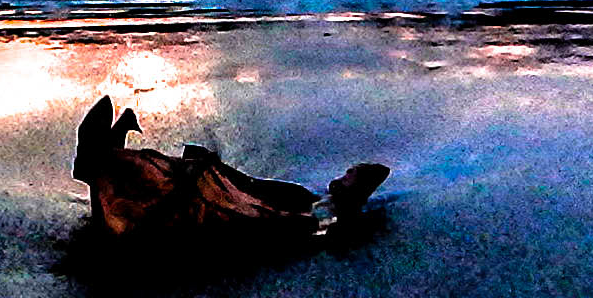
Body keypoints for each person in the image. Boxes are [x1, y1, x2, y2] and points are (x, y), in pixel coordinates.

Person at [72, 94, 384, 251]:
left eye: (348, 176)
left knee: (167, 193)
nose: (339, 178)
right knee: (175, 178)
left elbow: (283, 223)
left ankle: (107, 156)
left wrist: (198, 178)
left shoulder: (324, 216)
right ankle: (109, 154)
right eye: (347, 172)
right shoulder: (310, 199)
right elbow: (257, 190)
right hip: (228, 204)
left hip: (215, 216)